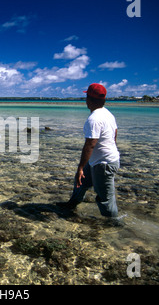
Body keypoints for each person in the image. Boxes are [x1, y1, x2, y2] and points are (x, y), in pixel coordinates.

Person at [59, 83, 120, 218]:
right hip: (99, 160)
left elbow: (90, 145)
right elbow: (114, 135)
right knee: (81, 181)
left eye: (86, 97)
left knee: (105, 199)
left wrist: (80, 166)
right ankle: (72, 205)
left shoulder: (94, 119)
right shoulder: (107, 114)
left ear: (89, 99)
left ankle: (114, 223)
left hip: (103, 164)